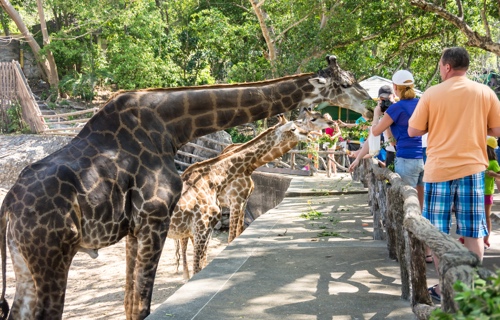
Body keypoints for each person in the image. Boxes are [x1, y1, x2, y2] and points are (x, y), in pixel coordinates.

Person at [408, 47, 500, 302]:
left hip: (438, 170)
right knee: (473, 232)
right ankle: (468, 288)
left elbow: (414, 131)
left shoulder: (431, 94)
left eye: (440, 65)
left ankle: (444, 287)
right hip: (473, 169)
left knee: (437, 232)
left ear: (447, 67)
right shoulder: (485, 92)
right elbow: (497, 129)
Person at [349, 71, 424, 206]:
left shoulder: (396, 108)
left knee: (405, 204)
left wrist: (377, 115)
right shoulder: (420, 103)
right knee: (418, 204)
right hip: (421, 159)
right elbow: (393, 140)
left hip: (406, 159)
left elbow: (376, 132)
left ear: (395, 88)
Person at [483, 137, 500, 249]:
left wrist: (493, 174)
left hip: (487, 193)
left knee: (487, 217)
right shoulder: (480, 160)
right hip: (477, 192)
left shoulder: (493, 163)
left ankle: (486, 240)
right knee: (476, 216)